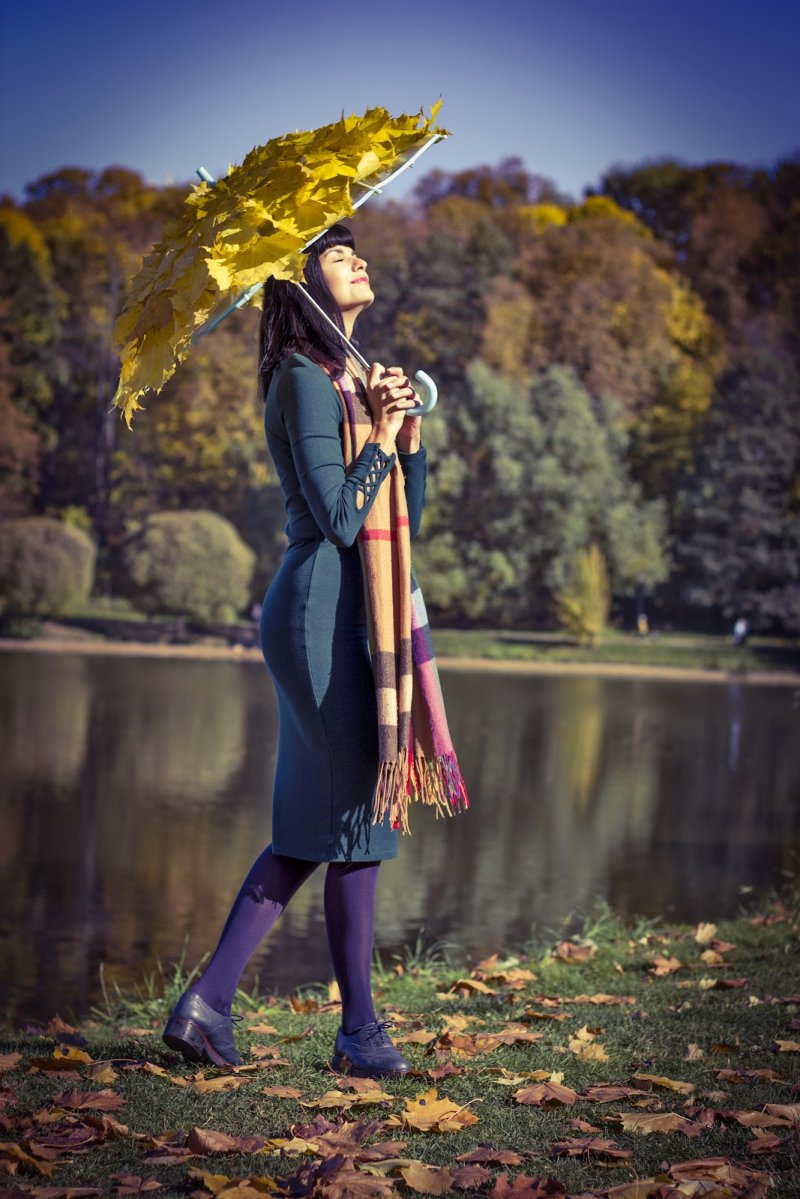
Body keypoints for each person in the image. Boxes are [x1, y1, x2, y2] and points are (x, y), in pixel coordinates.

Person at [163, 223, 453, 1079]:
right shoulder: (300, 377)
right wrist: (379, 432)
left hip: (351, 612)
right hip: (318, 610)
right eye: (336, 253)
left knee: (328, 825)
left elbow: (405, 516)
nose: (358, 259)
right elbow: (336, 517)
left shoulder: (351, 381)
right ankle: (354, 1031)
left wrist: (405, 437)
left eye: (355, 249)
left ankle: (211, 1006)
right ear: (300, 282)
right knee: (350, 820)